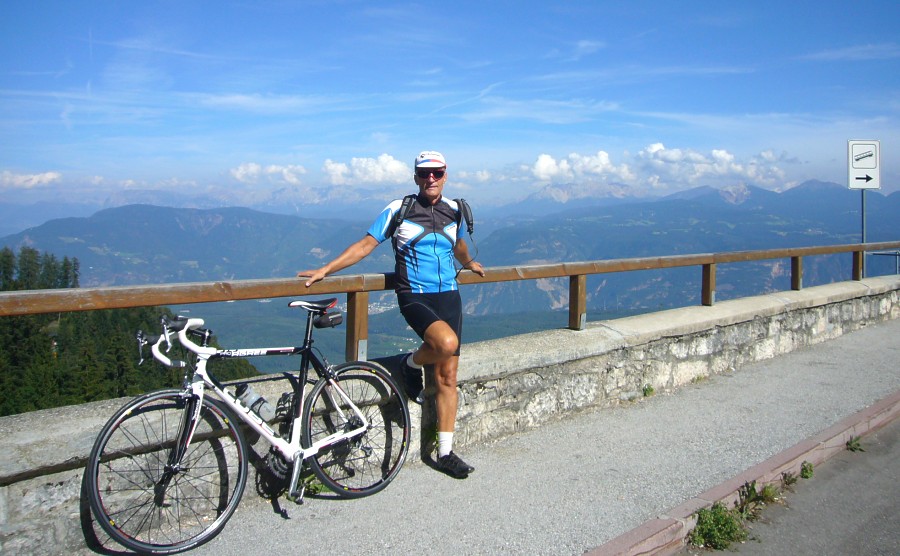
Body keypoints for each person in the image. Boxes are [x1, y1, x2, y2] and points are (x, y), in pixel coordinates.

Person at [298, 151, 485, 479]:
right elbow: (365, 245)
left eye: (436, 173)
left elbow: (458, 245)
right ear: (415, 177)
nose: (430, 178)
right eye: (424, 173)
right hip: (414, 296)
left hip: (449, 296)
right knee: (445, 343)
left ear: (445, 175)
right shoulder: (400, 209)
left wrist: (468, 263)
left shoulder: (455, 210)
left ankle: (445, 452)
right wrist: (326, 270)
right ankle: (410, 364)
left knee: (448, 376)